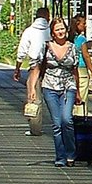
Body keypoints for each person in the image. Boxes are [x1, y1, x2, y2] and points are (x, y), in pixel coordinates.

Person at [28, 17, 80, 167]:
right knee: (57, 124)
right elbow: (36, 69)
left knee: (67, 120)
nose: (61, 32)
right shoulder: (46, 47)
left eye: (62, 28)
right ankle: (61, 156)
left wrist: (77, 92)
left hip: (68, 87)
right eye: (57, 29)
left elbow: (75, 70)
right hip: (49, 87)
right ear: (52, 32)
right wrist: (32, 89)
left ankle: (71, 152)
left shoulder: (72, 47)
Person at [15, 8, 51, 102]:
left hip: (34, 66)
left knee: (33, 92)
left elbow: (22, 51)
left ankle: (34, 112)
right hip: (51, 67)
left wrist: (17, 68)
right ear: (47, 16)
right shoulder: (53, 30)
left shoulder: (29, 31)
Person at [70, 14, 92, 115]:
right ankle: (80, 118)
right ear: (78, 24)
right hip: (81, 71)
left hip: (70, 70)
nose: (85, 25)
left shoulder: (69, 38)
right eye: (84, 23)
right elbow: (86, 56)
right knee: (81, 97)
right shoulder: (81, 39)